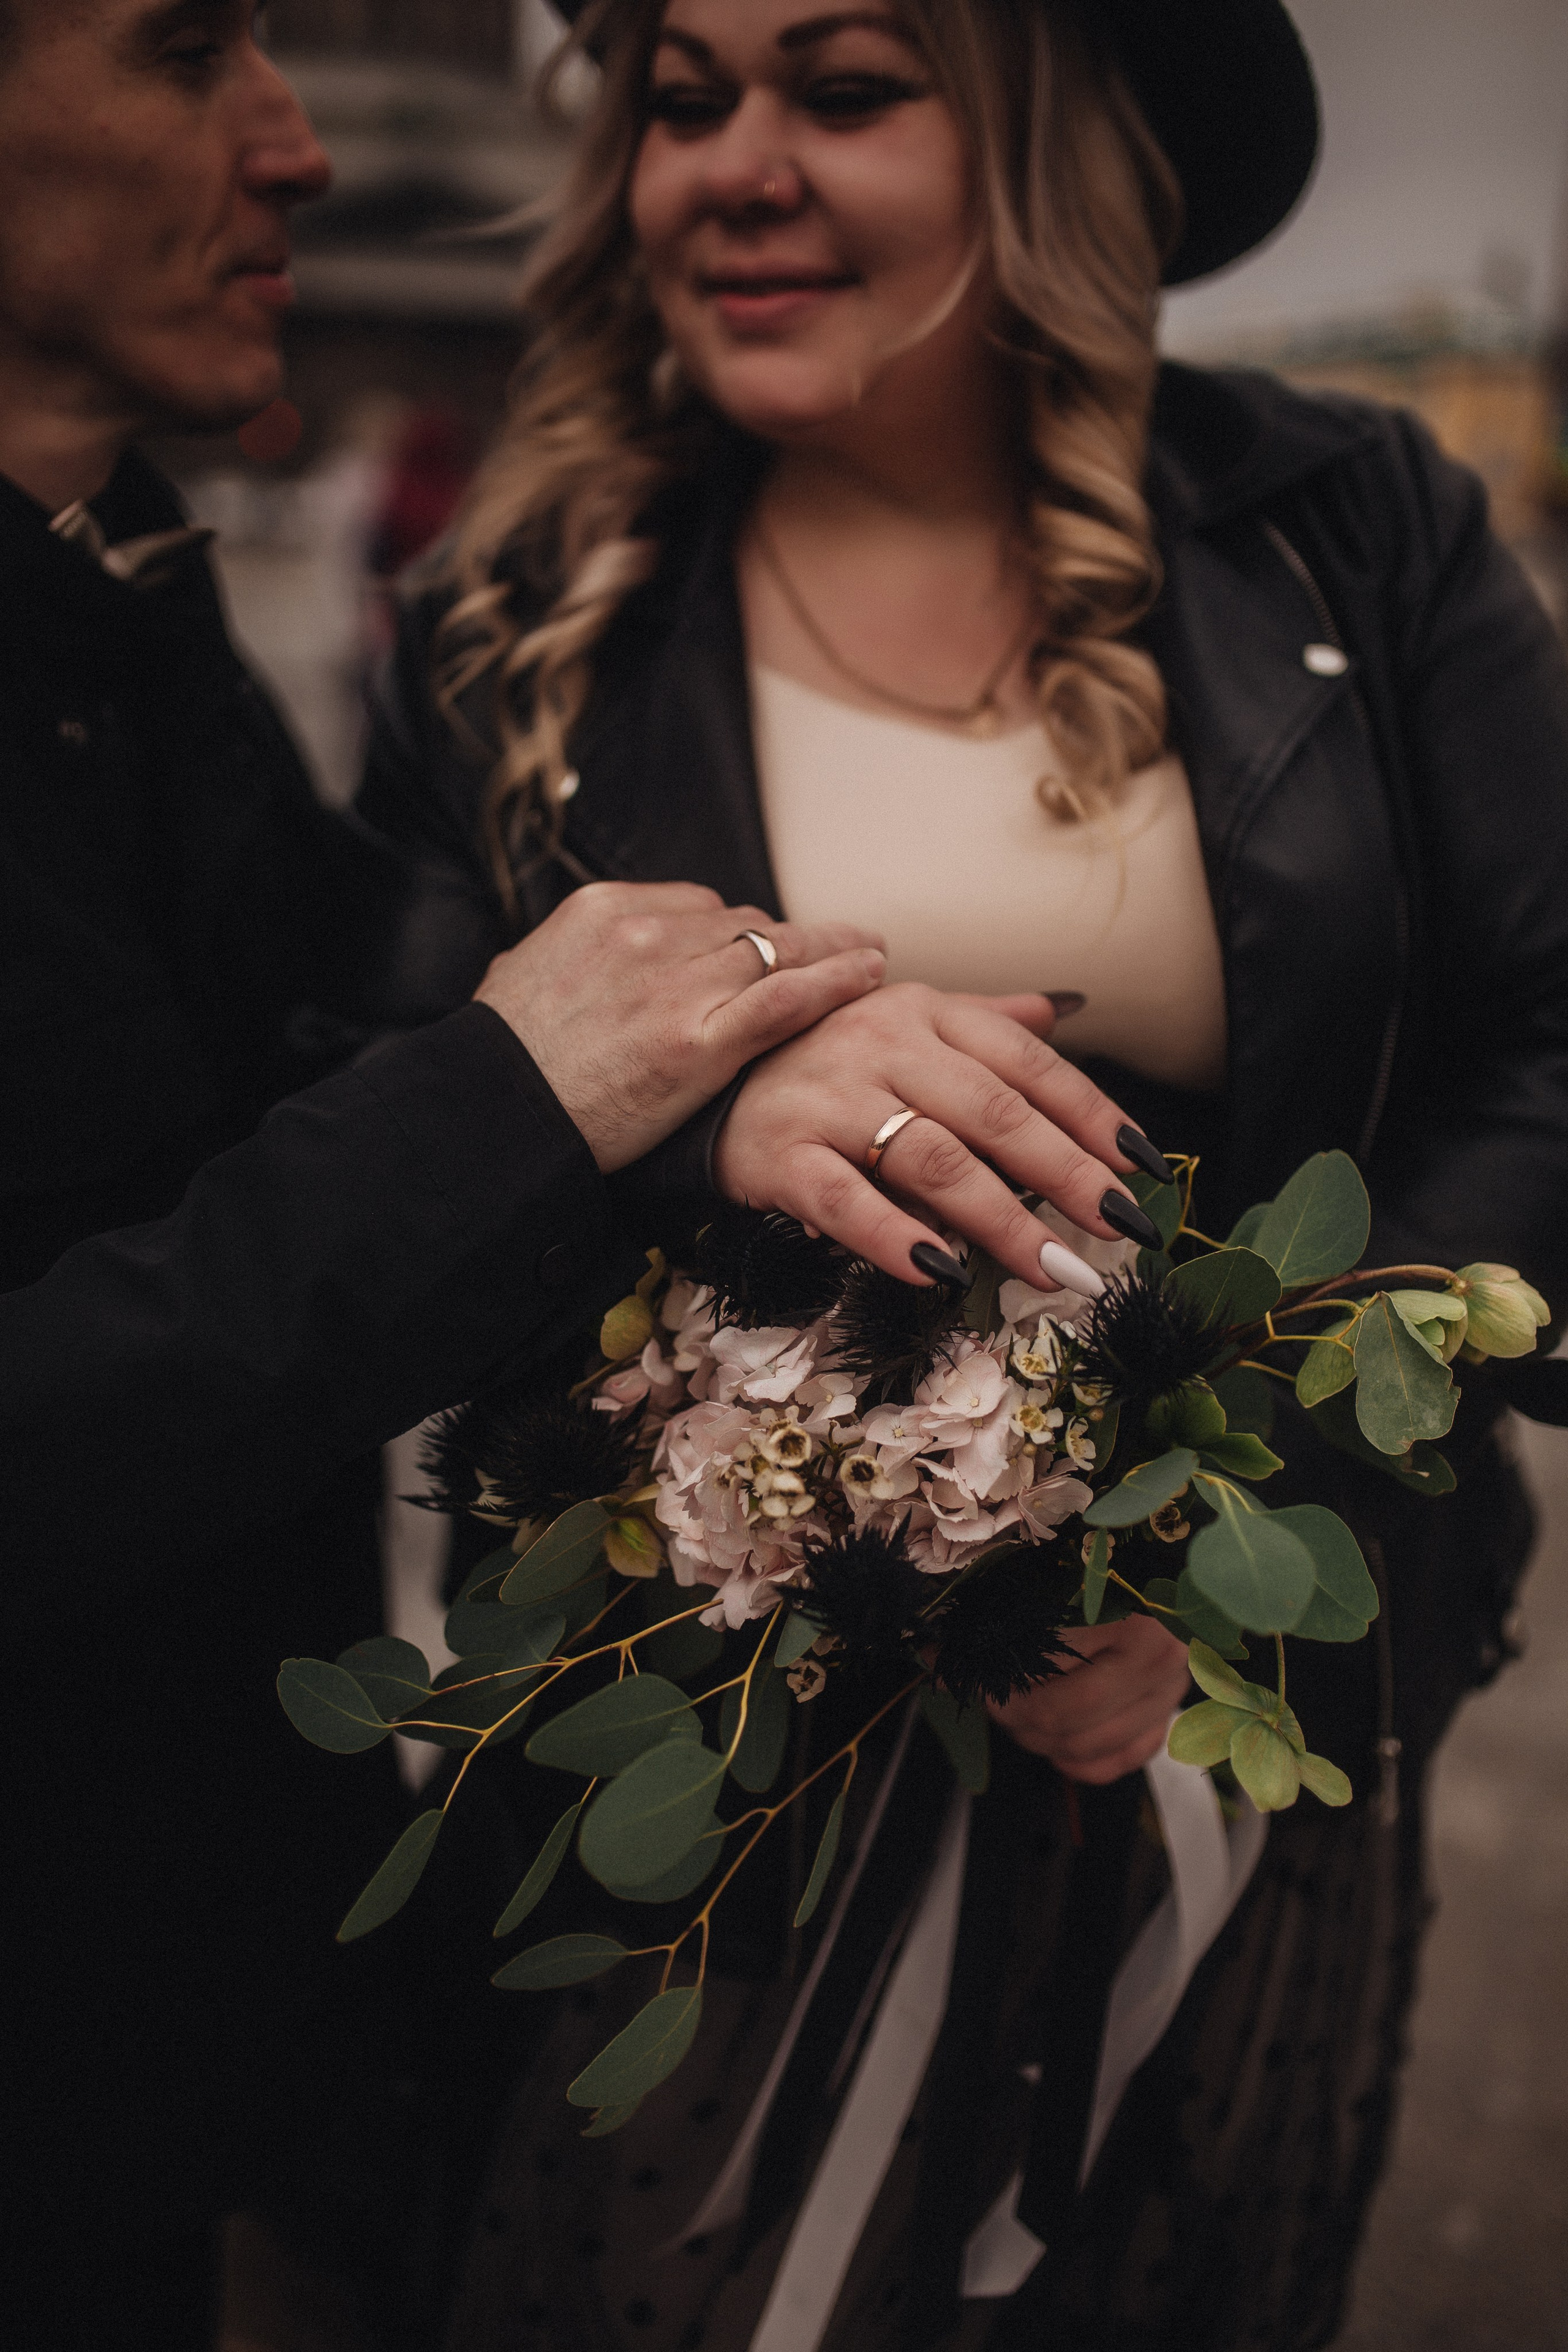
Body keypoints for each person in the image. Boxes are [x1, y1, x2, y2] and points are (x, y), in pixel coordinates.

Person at [352, 1, 1568, 2347]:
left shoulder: (1356, 520)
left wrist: (1230, 1541)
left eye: (846, 86)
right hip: (708, 1755)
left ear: (1057, 144)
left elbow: (1548, 1049)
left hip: (1221, 1729)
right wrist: (696, 1129)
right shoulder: (525, 616)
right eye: (683, 101)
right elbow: (378, 1128)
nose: (736, 167)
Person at [0, 8, 1148, 2342]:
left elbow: (307, 1090)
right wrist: (538, 1095)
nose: (299, 142)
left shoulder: (114, 598)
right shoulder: (502, 607)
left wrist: (702, 1102)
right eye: (184, 41)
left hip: (184, 2007)